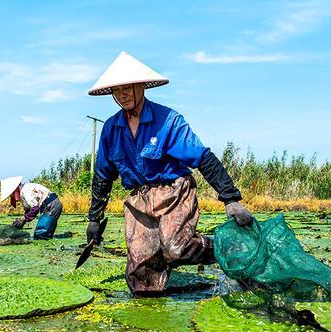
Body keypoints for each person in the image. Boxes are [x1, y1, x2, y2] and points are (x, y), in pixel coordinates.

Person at [86, 51, 253, 296]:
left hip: (173, 191)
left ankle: (224, 247)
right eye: (116, 91)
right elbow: (103, 174)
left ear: (141, 86)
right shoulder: (112, 128)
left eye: (127, 88)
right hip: (139, 199)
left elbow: (202, 157)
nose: (122, 96)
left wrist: (230, 199)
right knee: (142, 275)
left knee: (176, 248)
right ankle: (151, 320)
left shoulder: (168, 120)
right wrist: (94, 218)